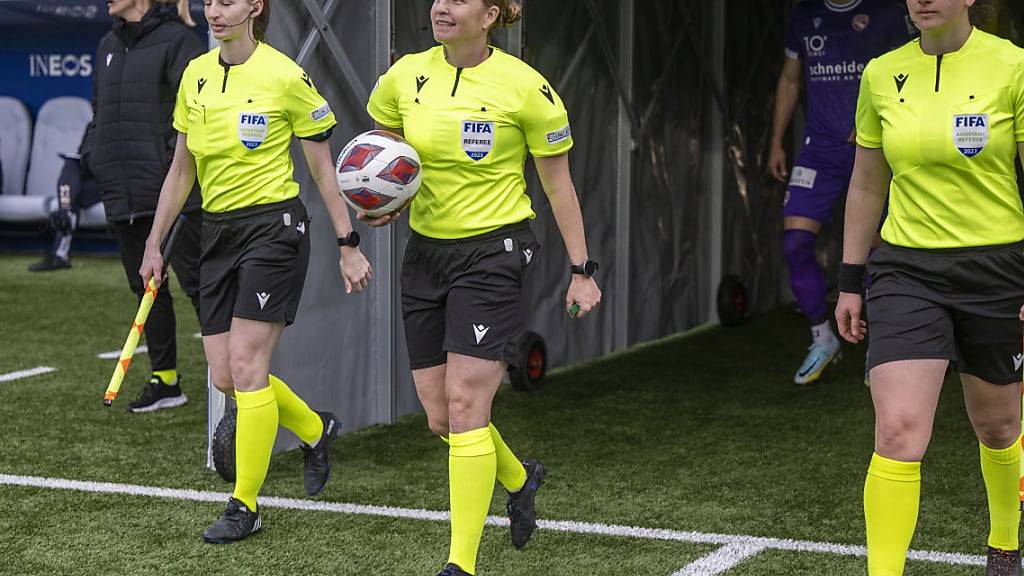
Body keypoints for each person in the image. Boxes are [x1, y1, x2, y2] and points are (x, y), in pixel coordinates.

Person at [365, 1, 601, 574]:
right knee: (441, 417)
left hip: (493, 255)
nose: (441, 6)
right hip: (424, 255)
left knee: (468, 404)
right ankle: (521, 481)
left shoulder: (526, 88)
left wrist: (582, 269)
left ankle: (460, 564)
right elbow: (383, 150)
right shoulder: (404, 75)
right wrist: (381, 197)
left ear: (492, 13)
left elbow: (558, 185)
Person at [140, 0, 372, 543]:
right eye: (210, 2)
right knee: (224, 375)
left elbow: (323, 169)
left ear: (255, 7)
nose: (214, 12)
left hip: (274, 229)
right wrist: (155, 242)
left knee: (246, 366)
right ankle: (318, 430)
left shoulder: (286, 76)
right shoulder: (195, 75)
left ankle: (244, 505)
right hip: (215, 233)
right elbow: (181, 171)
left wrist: (347, 243)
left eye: (227, 2)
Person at [835, 0, 1024, 573]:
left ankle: (1006, 542)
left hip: (997, 269)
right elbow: (868, 184)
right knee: (896, 430)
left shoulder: (1013, 66)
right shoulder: (879, 73)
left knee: (998, 425)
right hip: (906, 270)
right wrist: (850, 281)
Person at [769, 0, 915, 385]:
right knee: (795, 242)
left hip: (869, 148)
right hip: (818, 150)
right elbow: (789, 79)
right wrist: (776, 142)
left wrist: (880, 120)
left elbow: (909, 74)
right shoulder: (803, 14)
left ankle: (878, 350)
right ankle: (822, 338)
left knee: (877, 249)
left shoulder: (886, 12)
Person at [79, 0, 205, 412]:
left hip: (171, 193)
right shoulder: (106, 45)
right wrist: (94, 154)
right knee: (146, 288)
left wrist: (170, 168)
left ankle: (236, 383)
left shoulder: (179, 41)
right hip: (122, 190)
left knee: (201, 287)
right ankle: (166, 380)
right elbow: (99, 112)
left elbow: (194, 118)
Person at [27, 152, 102, 272]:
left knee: (71, 195)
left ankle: (64, 215)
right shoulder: (94, 133)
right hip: (90, 173)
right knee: (71, 163)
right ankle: (65, 212)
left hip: (113, 179)